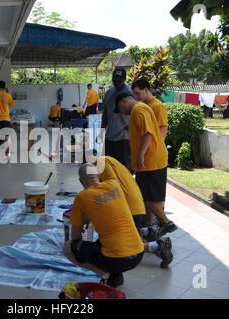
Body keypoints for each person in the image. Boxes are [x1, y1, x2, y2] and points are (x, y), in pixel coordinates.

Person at [86, 152, 173, 268]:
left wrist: (98, 200)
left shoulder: (101, 164)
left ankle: (158, 246)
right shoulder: (109, 159)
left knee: (125, 246)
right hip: (134, 203)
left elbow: (114, 186)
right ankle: (146, 232)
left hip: (131, 207)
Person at [67, 163, 144, 287]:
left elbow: (75, 235)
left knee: (72, 247)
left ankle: (104, 274)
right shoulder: (114, 184)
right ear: (98, 175)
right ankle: (116, 276)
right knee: (102, 242)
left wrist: (80, 244)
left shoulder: (82, 197)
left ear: (81, 181)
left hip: (116, 260)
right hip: (139, 254)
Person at [115, 92, 177, 238]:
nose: (122, 113)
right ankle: (148, 226)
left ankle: (166, 222)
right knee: (150, 197)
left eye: (120, 108)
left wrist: (141, 155)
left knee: (144, 197)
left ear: (124, 101)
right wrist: (134, 162)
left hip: (149, 162)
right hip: (150, 162)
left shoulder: (138, 110)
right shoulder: (141, 108)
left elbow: (147, 133)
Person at [97, 67, 133, 171]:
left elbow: (135, 116)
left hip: (124, 138)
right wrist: (101, 133)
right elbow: (106, 114)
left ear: (125, 80)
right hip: (109, 137)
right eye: (115, 80)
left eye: (119, 81)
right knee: (108, 168)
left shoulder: (131, 93)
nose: (116, 83)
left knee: (124, 170)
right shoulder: (108, 93)